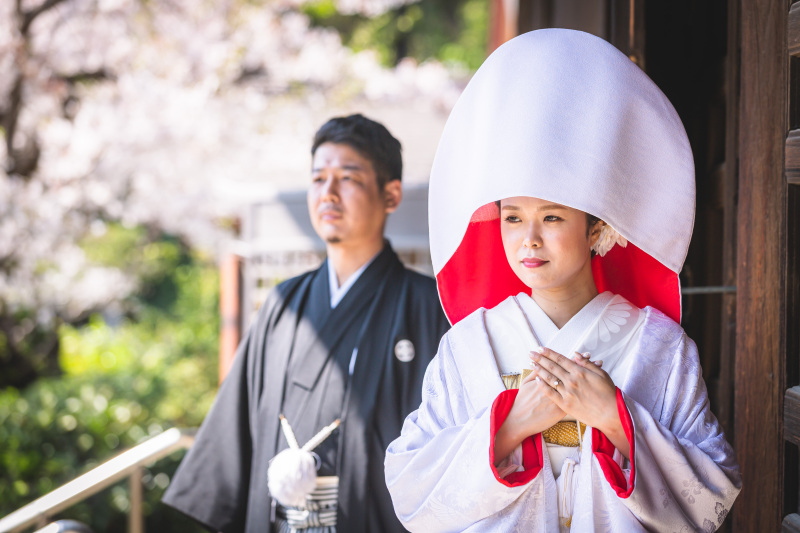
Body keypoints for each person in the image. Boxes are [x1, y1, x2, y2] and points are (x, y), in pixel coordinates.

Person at [384, 29, 741, 532]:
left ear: (597, 227)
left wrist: (616, 419)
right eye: (512, 218)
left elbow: (714, 495)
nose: (528, 239)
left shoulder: (660, 347)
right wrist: (508, 427)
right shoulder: (468, 347)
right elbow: (407, 483)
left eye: (551, 219)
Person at [163, 114, 450, 532]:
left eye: (347, 178)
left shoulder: (428, 307)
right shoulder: (284, 304)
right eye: (318, 179)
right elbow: (235, 433)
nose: (328, 194)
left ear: (391, 195)